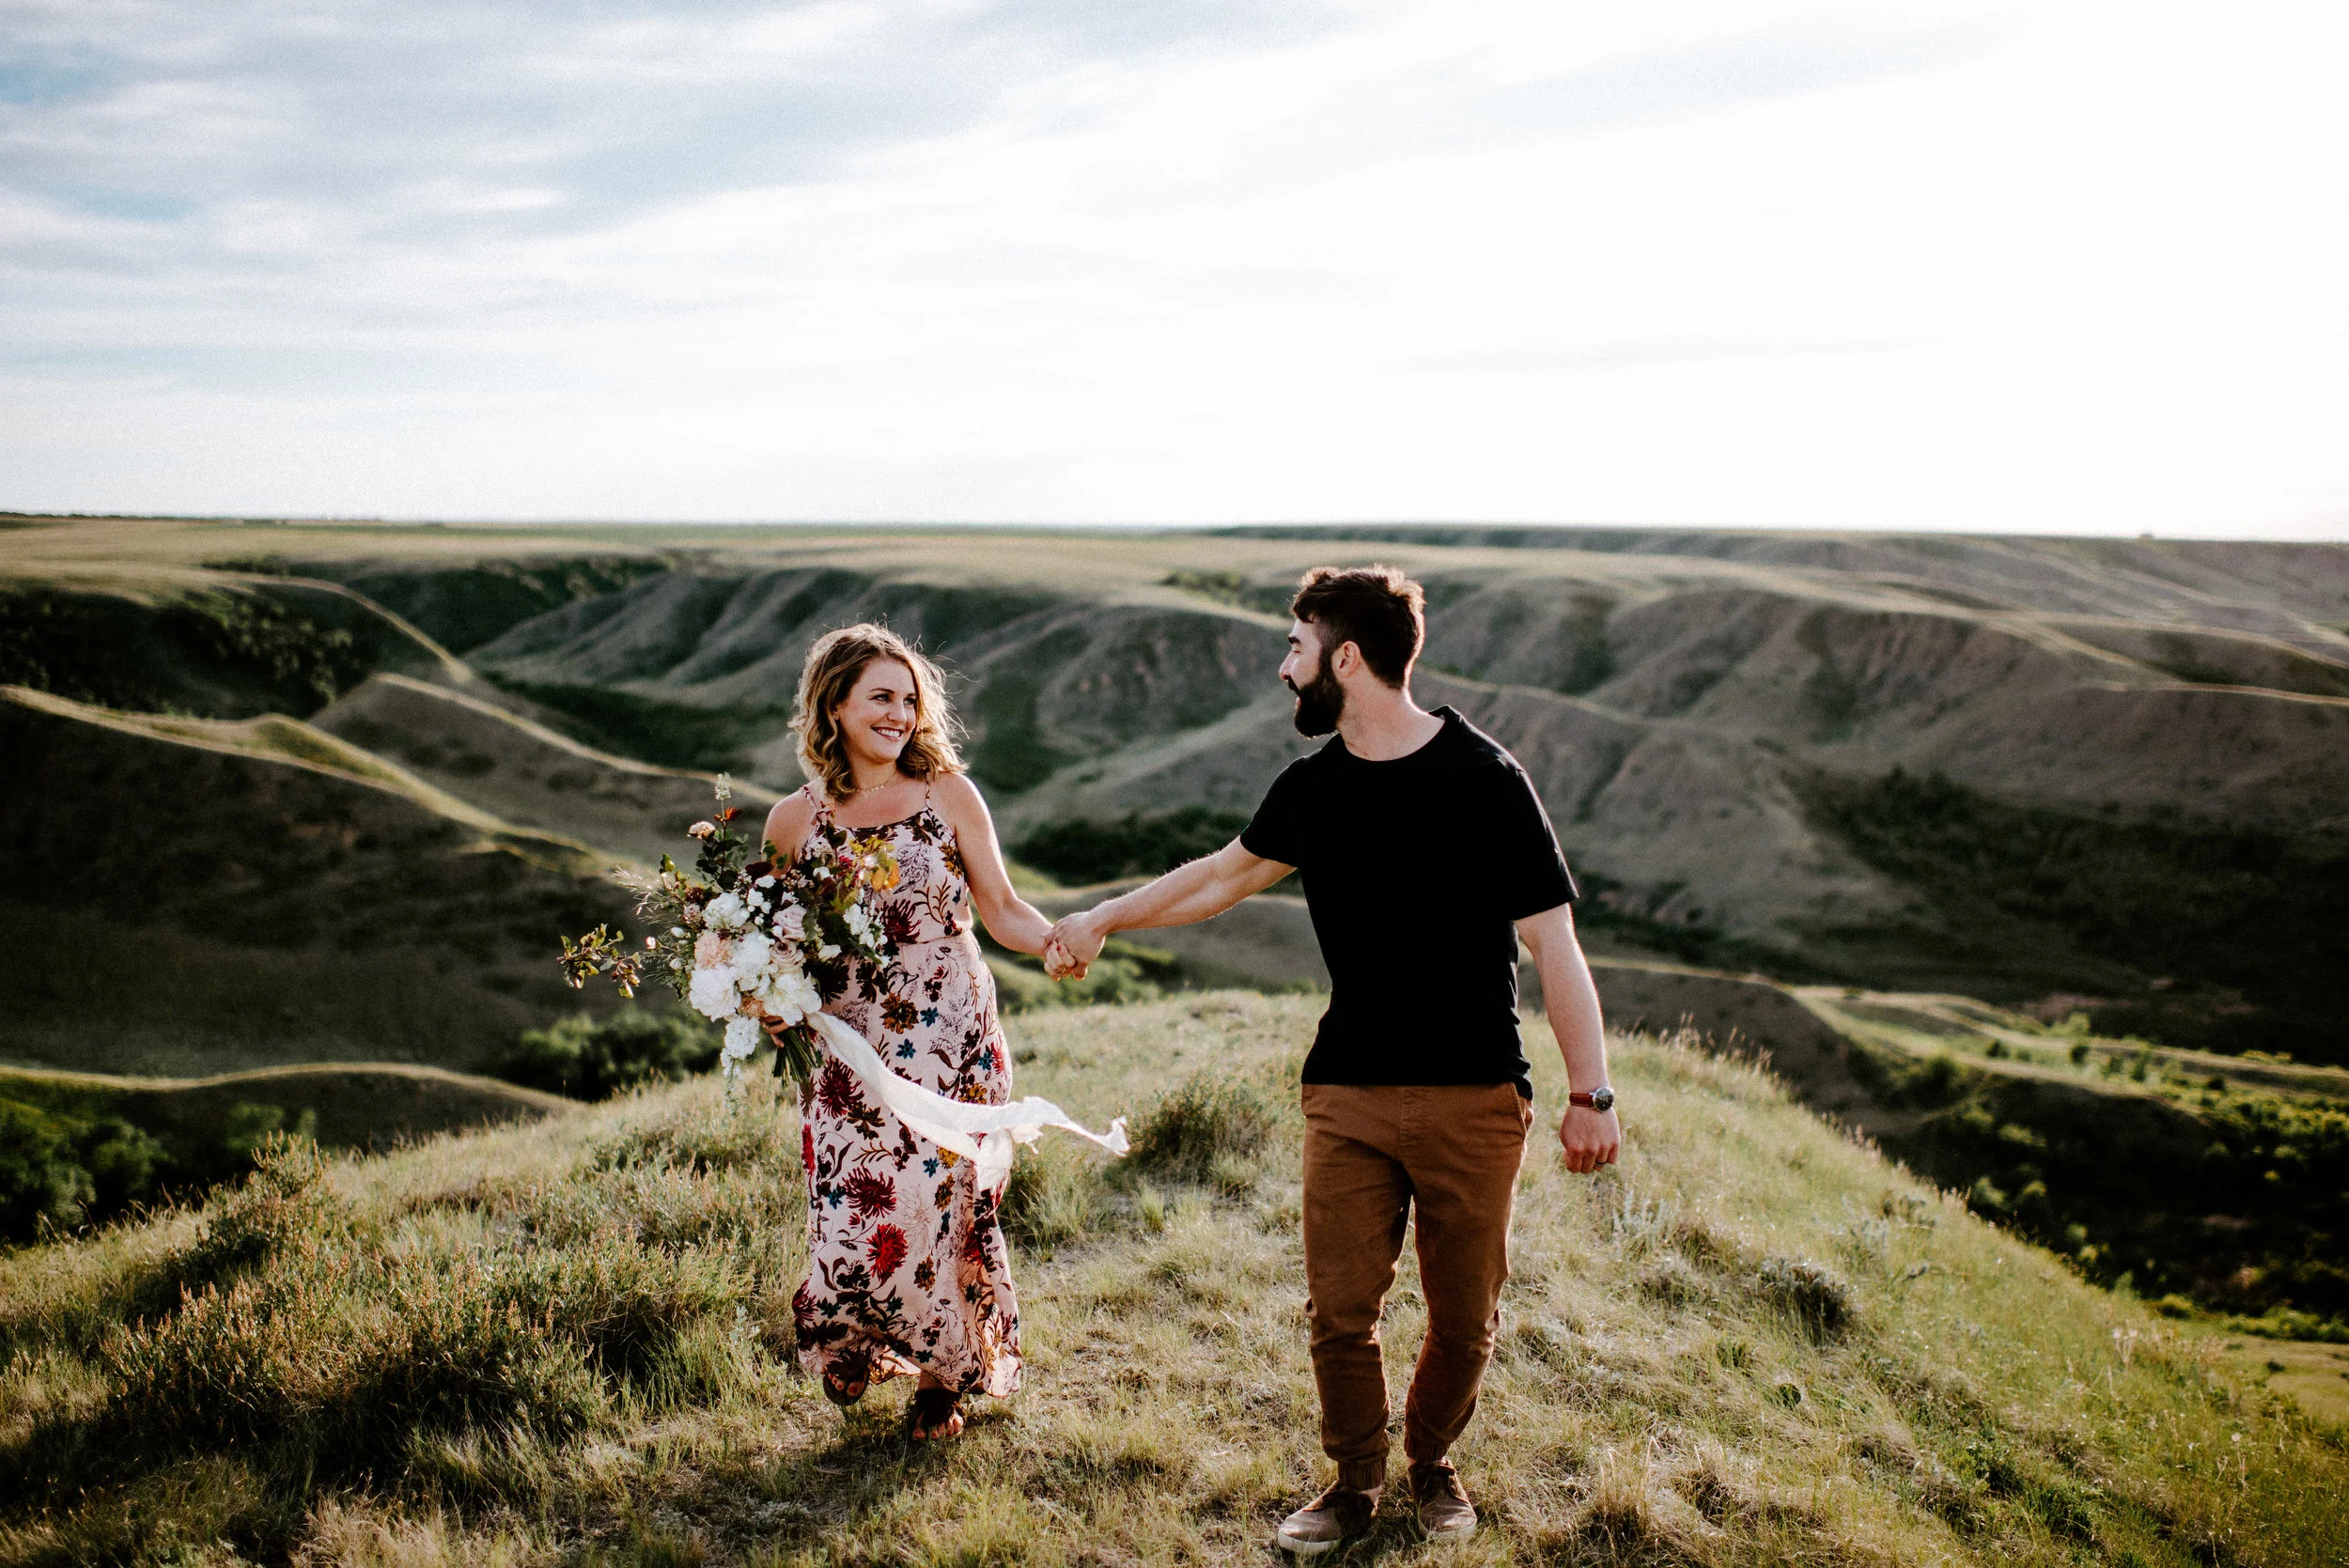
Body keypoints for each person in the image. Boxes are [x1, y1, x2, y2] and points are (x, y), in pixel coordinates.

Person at [1044, 565, 1621, 1552]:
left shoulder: (1486, 778)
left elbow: (1552, 944)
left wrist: (1590, 1092)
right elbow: (1222, 877)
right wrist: (1101, 916)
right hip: (1345, 1090)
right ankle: (1353, 1482)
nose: (1283, 667)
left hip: (1475, 1096)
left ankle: (1431, 1461)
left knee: (1464, 1315)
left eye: (1295, 647)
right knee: (1339, 1308)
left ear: (1344, 658)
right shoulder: (1314, 789)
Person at [761, 622, 1063, 1442]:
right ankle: (854, 1332)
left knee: (941, 1199)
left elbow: (1000, 907)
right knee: (849, 1205)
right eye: (880, 697)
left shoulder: (948, 795)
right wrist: (755, 992)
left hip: (948, 1027)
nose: (899, 714)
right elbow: (773, 942)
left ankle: (945, 1373)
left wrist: (1055, 941)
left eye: (909, 699)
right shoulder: (793, 821)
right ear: (835, 704)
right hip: (850, 1039)